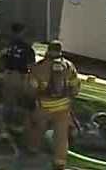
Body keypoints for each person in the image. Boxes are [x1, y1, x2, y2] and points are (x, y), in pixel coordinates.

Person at [27, 41, 81, 170]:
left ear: (48, 50)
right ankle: (59, 162)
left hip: (44, 106)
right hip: (63, 107)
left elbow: (32, 88)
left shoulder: (39, 67)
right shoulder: (69, 66)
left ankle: (32, 152)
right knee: (61, 136)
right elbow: (75, 88)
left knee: (37, 127)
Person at [0, 23, 36, 133]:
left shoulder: (9, 45)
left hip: (7, 74)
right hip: (19, 76)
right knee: (19, 101)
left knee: (7, 101)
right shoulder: (27, 48)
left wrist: (4, 69)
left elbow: (0, 57)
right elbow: (31, 66)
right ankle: (15, 126)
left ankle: (4, 125)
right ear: (22, 32)